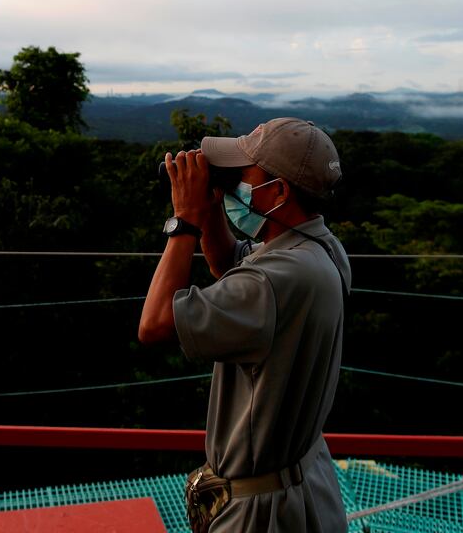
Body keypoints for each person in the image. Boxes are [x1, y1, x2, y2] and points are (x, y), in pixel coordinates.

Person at [138, 117, 351, 533]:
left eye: (243, 175)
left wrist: (184, 222)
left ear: (279, 191)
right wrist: (213, 203)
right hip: (304, 482)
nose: (236, 183)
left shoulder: (271, 281)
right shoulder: (319, 247)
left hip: (259, 512)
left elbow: (155, 324)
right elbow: (225, 264)